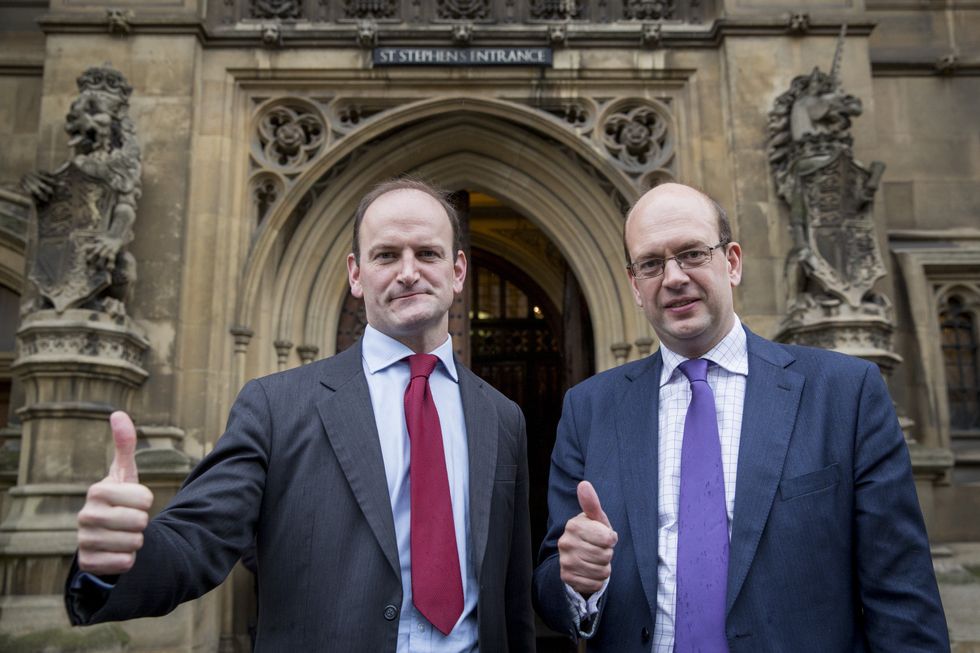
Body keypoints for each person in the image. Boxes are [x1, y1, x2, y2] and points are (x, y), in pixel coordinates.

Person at [65, 178, 536, 652]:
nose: (408, 272)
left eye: (428, 254)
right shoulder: (275, 406)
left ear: (457, 271)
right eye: (386, 255)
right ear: (356, 274)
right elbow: (197, 538)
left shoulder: (502, 416)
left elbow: (512, 596)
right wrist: (118, 558)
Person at [532, 182, 949, 652]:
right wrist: (577, 581)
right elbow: (551, 588)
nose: (673, 277)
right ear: (634, 284)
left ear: (731, 262)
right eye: (650, 263)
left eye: (692, 253)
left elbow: (902, 597)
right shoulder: (588, 408)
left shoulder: (844, 395)